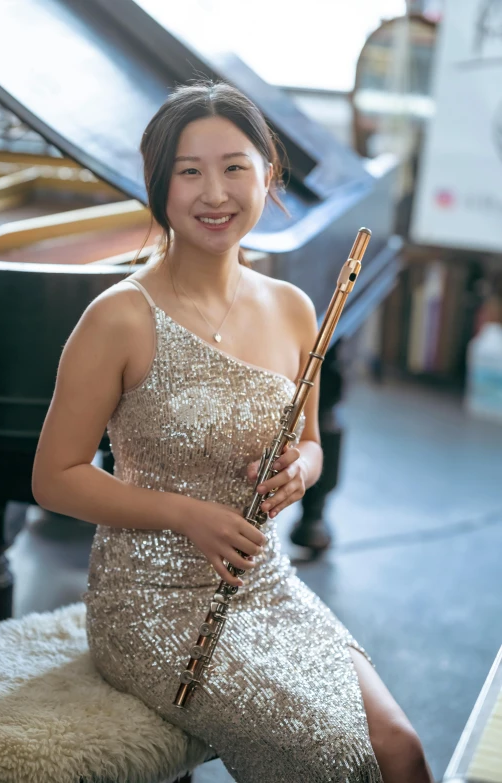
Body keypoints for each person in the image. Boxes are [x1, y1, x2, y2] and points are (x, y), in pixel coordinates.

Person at [32, 80, 433, 783]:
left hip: (263, 585)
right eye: (189, 171)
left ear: (268, 175)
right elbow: (54, 476)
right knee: (336, 760)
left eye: (234, 167)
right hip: (149, 604)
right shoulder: (119, 317)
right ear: (158, 188)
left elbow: (307, 442)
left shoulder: (293, 307)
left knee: (401, 749)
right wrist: (187, 515)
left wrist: (300, 472)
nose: (214, 192)